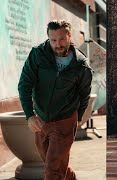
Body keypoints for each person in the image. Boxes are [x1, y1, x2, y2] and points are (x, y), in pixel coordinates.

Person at [18, 20, 93, 180]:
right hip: (41, 119)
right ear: (48, 38)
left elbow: (84, 94)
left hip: (65, 120)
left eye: (62, 39)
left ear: (69, 36)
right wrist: (29, 115)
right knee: (54, 164)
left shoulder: (81, 65)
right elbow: (24, 84)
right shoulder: (38, 55)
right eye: (53, 40)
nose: (58, 44)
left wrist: (77, 119)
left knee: (53, 171)